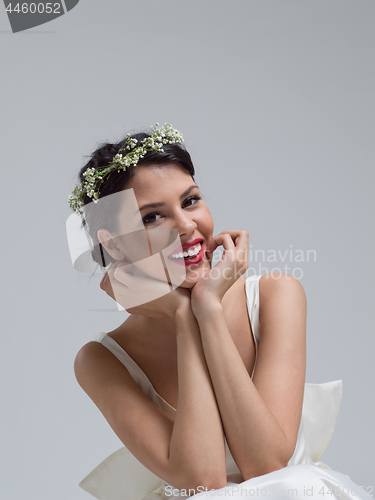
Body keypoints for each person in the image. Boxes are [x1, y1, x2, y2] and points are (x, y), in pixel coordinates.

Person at [69, 124, 371, 500]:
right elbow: (202, 483)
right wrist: (184, 319)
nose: (186, 226)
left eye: (191, 200)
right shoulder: (100, 361)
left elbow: (269, 470)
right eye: (152, 217)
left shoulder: (277, 294)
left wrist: (207, 310)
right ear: (114, 245)